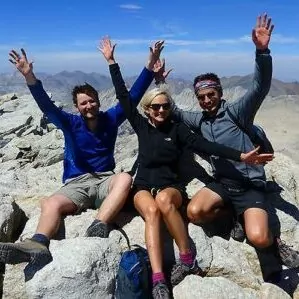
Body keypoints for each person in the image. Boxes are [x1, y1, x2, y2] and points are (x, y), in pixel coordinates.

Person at [102, 39, 273, 299]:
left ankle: (187, 256)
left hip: (171, 186)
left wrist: (241, 156)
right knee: (151, 212)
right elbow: (124, 97)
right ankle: (158, 278)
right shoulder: (141, 125)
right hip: (143, 185)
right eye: (155, 107)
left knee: (163, 201)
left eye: (165, 106)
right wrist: (113, 63)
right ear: (147, 111)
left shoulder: (179, 129)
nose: (161, 110)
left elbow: (208, 146)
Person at [0, 39, 164, 278]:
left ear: (98, 101)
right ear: (77, 107)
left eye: (91, 101)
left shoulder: (111, 119)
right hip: (76, 183)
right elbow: (47, 106)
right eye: (83, 103)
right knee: (51, 203)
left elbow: (134, 95)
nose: (88, 106)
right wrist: (29, 77)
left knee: (125, 179)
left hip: (105, 181)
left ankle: (99, 224)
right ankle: (38, 244)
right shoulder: (70, 123)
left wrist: (150, 64)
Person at [157, 14, 299, 281]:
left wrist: (262, 51)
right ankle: (235, 217)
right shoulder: (198, 119)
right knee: (195, 212)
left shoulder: (237, 113)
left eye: (211, 95)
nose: (207, 100)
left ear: (220, 93)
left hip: (249, 185)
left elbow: (260, 87)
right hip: (222, 185)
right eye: (202, 97)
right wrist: (159, 81)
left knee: (258, 237)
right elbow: (174, 112)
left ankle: (275, 243)